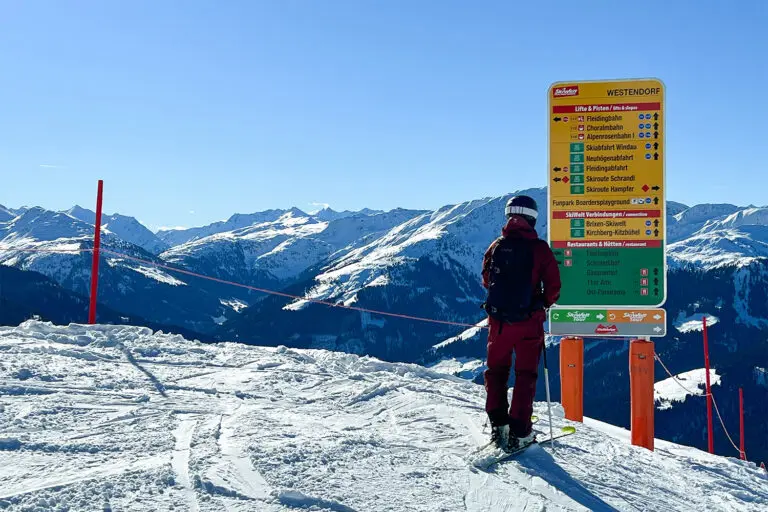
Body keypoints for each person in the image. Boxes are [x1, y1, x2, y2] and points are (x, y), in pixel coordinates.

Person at [480, 195, 561, 451]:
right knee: (525, 374)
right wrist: (541, 304)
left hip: (498, 322)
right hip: (529, 323)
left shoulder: (496, 246)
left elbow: (486, 279)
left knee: (496, 372)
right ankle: (520, 430)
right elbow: (554, 287)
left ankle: (498, 424)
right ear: (533, 218)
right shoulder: (540, 249)